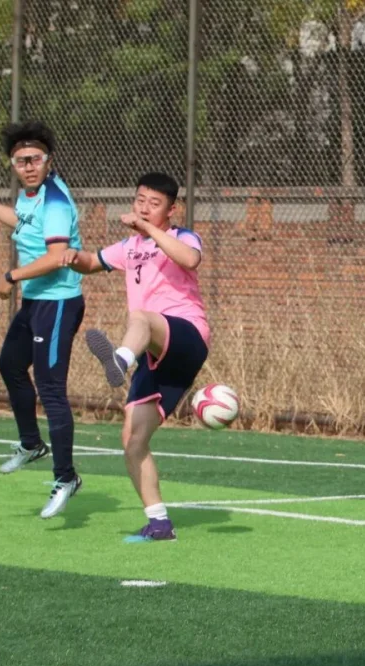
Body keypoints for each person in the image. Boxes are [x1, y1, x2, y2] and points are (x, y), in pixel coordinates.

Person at [63, 172, 209, 543]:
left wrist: (148, 228)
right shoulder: (129, 247)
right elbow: (91, 262)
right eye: (140, 200)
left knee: (141, 316)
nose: (144, 208)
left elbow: (191, 260)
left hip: (187, 335)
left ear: (171, 210)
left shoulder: (182, 236)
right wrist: (72, 257)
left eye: (154, 204)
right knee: (132, 438)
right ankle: (159, 523)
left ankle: (120, 360)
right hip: (152, 353)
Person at [0, 121, 85, 518]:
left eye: (34, 159)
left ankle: (66, 478)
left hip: (57, 303)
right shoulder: (31, 196)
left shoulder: (56, 199)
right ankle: (31, 444)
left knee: (51, 389)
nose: (28, 166)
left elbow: (56, 257)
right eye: (20, 161)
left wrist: (11, 277)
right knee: (10, 365)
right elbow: (20, 221)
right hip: (34, 302)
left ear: (49, 160)